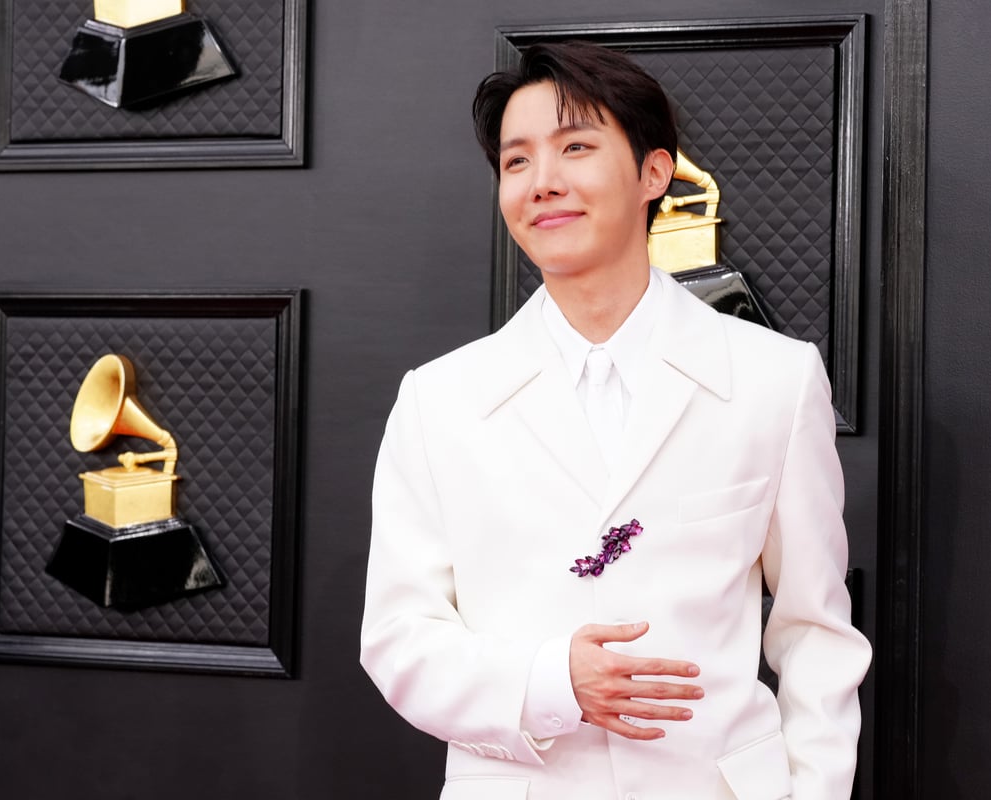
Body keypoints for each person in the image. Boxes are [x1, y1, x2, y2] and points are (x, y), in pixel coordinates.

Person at [360, 41, 871, 800]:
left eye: (576, 147)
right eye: (517, 161)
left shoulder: (775, 378)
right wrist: (549, 683)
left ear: (654, 173)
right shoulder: (439, 400)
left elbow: (815, 632)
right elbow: (399, 643)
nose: (545, 183)